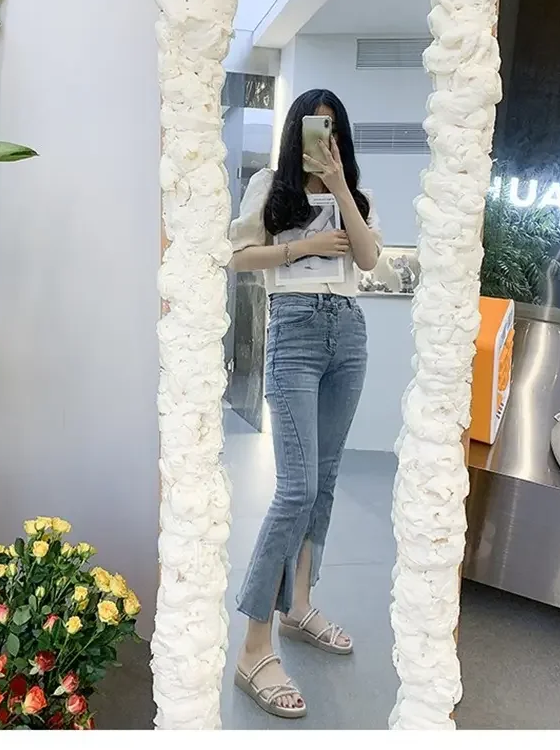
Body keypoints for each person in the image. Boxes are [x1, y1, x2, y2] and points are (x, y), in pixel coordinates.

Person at [228, 88, 383, 719]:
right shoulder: (270, 187)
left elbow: (368, 259)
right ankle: (253, 648)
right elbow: (238, 256)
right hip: (293, 329)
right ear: (297, 132)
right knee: (296, 488)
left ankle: (299, 606)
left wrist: (340, 186)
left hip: (348, 332)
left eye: (335, 129)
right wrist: (305, 247)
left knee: (325, 481)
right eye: (317, 128)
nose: (326, 138)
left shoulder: (353, 196)